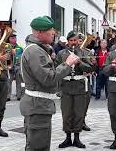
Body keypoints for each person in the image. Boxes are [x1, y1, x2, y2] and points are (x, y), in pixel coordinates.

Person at [19, 16, 79, 151]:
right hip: (38, 106)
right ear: (39, 32)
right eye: (50, 30)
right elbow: (48, 79)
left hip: (39, 105)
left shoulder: (39, 49)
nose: (53, 33)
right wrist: (67, 64)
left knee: (38, 145)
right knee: (38, 147)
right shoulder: (35, 51)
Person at [55, 30, 93, 149]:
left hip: (79, 86)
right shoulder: (61, 53)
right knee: (66, 113)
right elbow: (56, 69)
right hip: (66, 86)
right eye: (71, 40)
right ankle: (67, 138)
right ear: (68, 41)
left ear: (78, 41)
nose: (73, 43)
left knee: (78, 113)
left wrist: (79, 62)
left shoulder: (83, 52)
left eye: (75, 40)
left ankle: (77, 138)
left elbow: (90, 68)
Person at [7, 33, 24, 101]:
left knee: (19, 81)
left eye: (15, 38)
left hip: (17, 66)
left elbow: (21, 55)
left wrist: (15, 53)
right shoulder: (6, 46)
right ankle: (8, 96)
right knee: (8, 82)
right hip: (9, 67)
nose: (14, 39)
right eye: (12, 38)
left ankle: (19, 95)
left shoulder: (19, 47)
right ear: (9, 39)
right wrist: (10, 52)